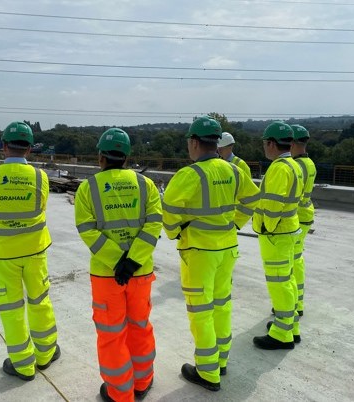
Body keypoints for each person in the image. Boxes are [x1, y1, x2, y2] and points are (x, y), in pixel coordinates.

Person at [162, 116, 259, 391]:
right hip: (227, 249)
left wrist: (175, 232)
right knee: (221, 305)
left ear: (194, 142)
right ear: (215, 142)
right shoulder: (233, 170)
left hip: (199, 252)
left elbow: (168, 209)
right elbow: (252, 199)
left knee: (201, 310)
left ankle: (207, 372)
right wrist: (236, 223)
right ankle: (221, 361)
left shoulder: (190, 174)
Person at [75, 128, 162, 402]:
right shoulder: (145, 185)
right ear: (126, 157)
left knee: (112, 335)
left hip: (106, 276)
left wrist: (117, 261)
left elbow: (87, 229)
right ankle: (142, 383)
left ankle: (120, 393)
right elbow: (154, 224)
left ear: (100, 156)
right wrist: (133, 260)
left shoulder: (88, 188)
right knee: (140, 326)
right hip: (140, 272)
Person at [0, 121, 60, 381]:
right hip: (34, 251)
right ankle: (46, 353)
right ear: (30, 149)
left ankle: (23, 365)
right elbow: (41, 205)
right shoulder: (40, 177)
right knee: (40, 300)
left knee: (11, 308)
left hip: (1, 254)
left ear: (3, 147)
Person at [252, 121, 304, 350]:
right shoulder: (293, 165)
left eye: (265, 143)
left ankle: (282, 335)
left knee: (278, 283)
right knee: (288, 280)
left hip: (277, 233)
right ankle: (290, 326)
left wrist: (267, 228)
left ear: (271, 144)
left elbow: (273, 204)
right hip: (290, 228)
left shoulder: (279, 167)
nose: (264, 147)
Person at [289, 124, 316, 316]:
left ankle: (295, 304)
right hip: (306, 214)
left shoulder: (297, 165)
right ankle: (295, 302)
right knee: (295, 259)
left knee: (293, 262)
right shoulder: (310, 163)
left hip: (297, 217)